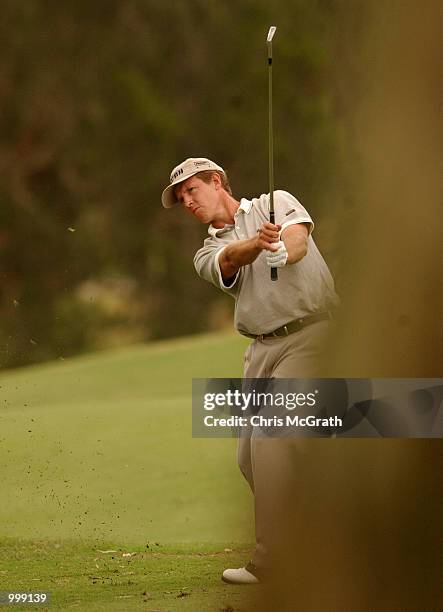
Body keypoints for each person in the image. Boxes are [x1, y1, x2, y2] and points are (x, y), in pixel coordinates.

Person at [161, 157, 339, 584]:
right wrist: (260, 246)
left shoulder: (274, 203)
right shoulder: (205, 251)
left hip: (312, 336)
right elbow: (227, 260)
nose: (187, 201)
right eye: (181, 197)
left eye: (192, 190)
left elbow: (298, 240)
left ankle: (272, 560)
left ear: (216, 181)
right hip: (261, 353)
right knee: (249, 460)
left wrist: (282, 248)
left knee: (272, 437)